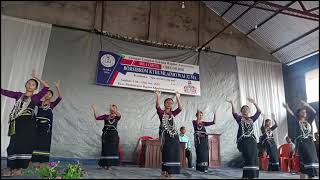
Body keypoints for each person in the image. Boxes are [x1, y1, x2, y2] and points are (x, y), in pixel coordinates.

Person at [1, 70, 49, 177]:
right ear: (25, 85)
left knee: (25, 145)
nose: (30, 85)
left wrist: (36, 77)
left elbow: (46, 87)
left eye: (33, 84)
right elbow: (4, 91)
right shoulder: (18, 95)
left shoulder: (36, 97)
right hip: (17, 123)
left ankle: (19, 168)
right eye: (29, 83)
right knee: (13, 145)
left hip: (29, 124)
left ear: (35, 88)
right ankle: (11, 167)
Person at [283, 100, 319, 179]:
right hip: (302, 144)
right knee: (304, 163)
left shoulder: (309, 121)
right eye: (302, 111)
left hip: (310, 144)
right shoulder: (297, 121)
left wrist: (307, 105)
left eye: (305, 112)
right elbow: (292, 114)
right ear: (298, 114)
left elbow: (314, 113)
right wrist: (287, 108)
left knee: (311, 163)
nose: (304, 113)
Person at [227, 97, 261, 179]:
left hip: (252, 140)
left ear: (249, 111)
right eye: (244, 109)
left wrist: (254, 103)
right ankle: (247, 175)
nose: (245, 110)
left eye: (247, 109)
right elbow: (234, 113)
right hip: (244, 141)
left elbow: (259, 112)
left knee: (254, 156)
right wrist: (232, 103)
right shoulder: (240, 119)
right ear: (241, 111)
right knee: (248, 156)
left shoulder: (252, 119)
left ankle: (254, 175)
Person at [31, 80, 63, 168]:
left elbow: (60, 97)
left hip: (46, 128)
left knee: (44, 143)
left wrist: (57, 86)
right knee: (35, 142)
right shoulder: (39, 103)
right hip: (38, 126)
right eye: (46, 93)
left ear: (52, 96)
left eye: (49, 94)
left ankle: (42, 162)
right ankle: (34, 160)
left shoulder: (52, 104)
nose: (47, 95)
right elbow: (33, 98)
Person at [155, 90, 182, 178]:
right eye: (167, 102)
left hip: (174, 136)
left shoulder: (173, 113)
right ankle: (164, 172)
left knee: (174, 153)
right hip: (165, 136)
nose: (169, 104)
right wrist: (158, 96)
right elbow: (157, 107)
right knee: (167, 153)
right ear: (165, 104)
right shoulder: (161, 113)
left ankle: (170, 173)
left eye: (171, 102)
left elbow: (180, 108)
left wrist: (178, 97)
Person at [91, 104, 121, 170]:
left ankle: (109, 165)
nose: (113, 109)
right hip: (106, 135)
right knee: (105, 150)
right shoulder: (106, 116)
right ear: (110, 110)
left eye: (114, 108)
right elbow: (97, 117)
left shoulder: (117, 117)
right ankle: (104, 164)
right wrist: (95, 110)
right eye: (112, 108)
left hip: (114, 136)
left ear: (116, 110)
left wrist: (113, 109)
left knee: (112, 150)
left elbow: (119, 115)